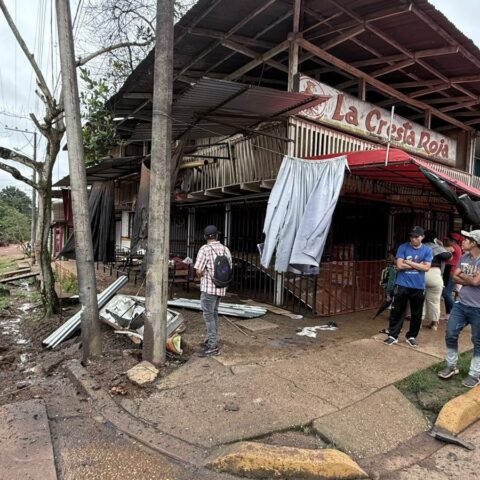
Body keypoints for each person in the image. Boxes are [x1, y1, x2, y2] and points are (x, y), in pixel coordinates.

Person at [438, 230, 480, 387]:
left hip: (478, 308)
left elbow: (476, 282)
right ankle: (451, 366)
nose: (463, 241)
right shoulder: (464, 257)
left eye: (466, 239)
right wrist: (471, 278)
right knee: (450, 334)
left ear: (474, 243)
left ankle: (475, 374)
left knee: (478, 341)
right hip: (461, 304)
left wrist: (465, 277)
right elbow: (454, 277)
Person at [384, 226, 432, 347]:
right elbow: (399, 265)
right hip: (402, 284)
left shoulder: (427, 250)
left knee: (416, 313)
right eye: (411, 236)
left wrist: (409, 262)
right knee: (397, 310)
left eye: (416, 237)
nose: (413, 239)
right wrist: (418, 265)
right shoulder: (403, 247)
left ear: (422, 237)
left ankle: (411, 336)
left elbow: (427, 267)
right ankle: (393, 335)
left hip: (418, 286)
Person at [194, 225, 232, 357]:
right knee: (214, 314)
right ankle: (212, 340)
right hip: (221, 287)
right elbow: (229, 268)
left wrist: (201, 276)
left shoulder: (204, 249)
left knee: (208, 317)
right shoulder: (225, 249)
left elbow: (199, 270)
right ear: (217, 235)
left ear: (205, 237)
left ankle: (212, 346)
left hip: (209, 289)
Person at [422, 231, 452, 330]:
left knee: (419, 301)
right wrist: (440, 245)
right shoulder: (437, 248)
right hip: (434, 275)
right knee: (434, 301)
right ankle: (434, 324)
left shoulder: (419, 247)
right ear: (435, 239)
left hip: (420, 274)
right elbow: (448, 256)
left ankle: (418, 323)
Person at [442, 233, 463, 319]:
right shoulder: (456, 247)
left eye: (447, 240)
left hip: (451, 272)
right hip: (449, 272)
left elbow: (443, 250)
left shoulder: (454, 247)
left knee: (446, 294)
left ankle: (458, 311)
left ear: (452, 241)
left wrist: (437, 245)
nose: (445, 242)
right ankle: (448, 314)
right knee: (448, 294)